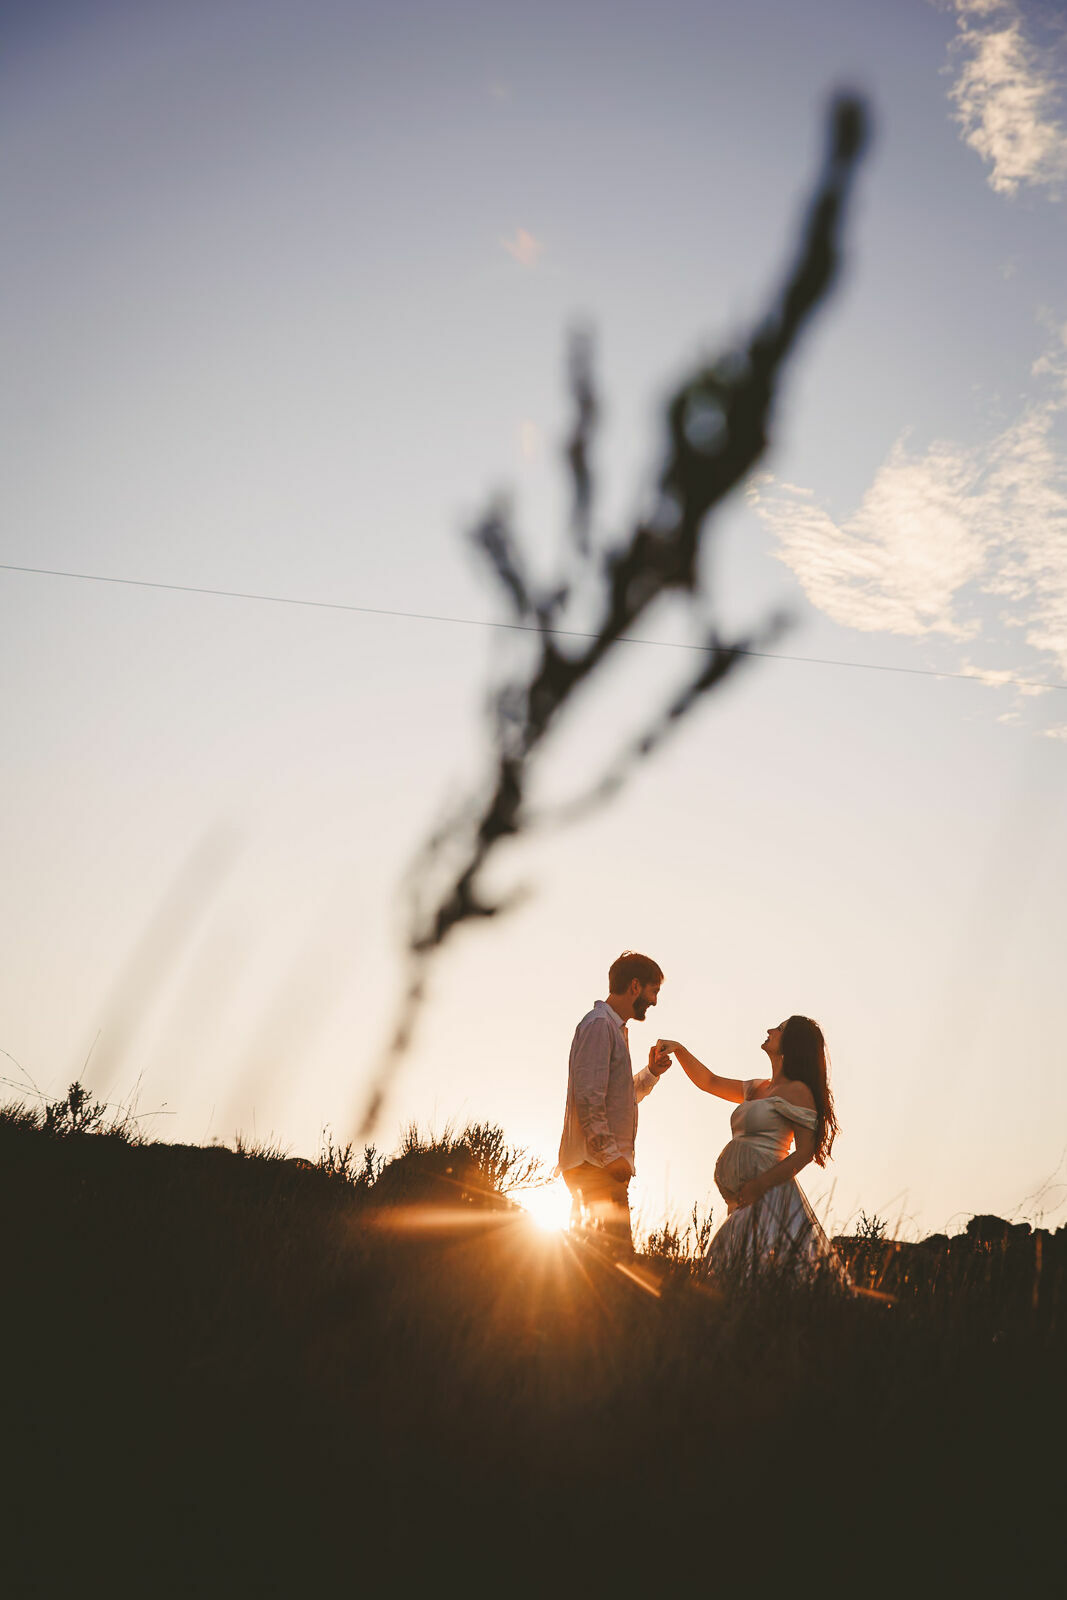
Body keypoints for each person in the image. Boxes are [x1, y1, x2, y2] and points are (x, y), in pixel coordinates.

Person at [657, 1015, 841, 1277]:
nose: (770, 1030)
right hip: (743, 1200)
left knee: (756, 1268)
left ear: (792, 1043)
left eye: (779, 1029)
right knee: (735, 1267)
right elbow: (708, 1082)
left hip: (769, 1196)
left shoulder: (798, 1091)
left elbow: (805, 1152)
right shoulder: (758, 1087)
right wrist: (679, 1049)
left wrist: (760, 1184)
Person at [558, 951, 672, 1255]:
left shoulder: (615, 1029)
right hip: (595, 1167)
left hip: (599, 1167)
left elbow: (615, 1098)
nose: (655, 1001)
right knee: (611, 1263)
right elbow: (589, 1098)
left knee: (603, 1261)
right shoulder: (599, 1025)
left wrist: (651, 1074)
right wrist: (610, 1155)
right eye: (653, 991)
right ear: (634, 986)